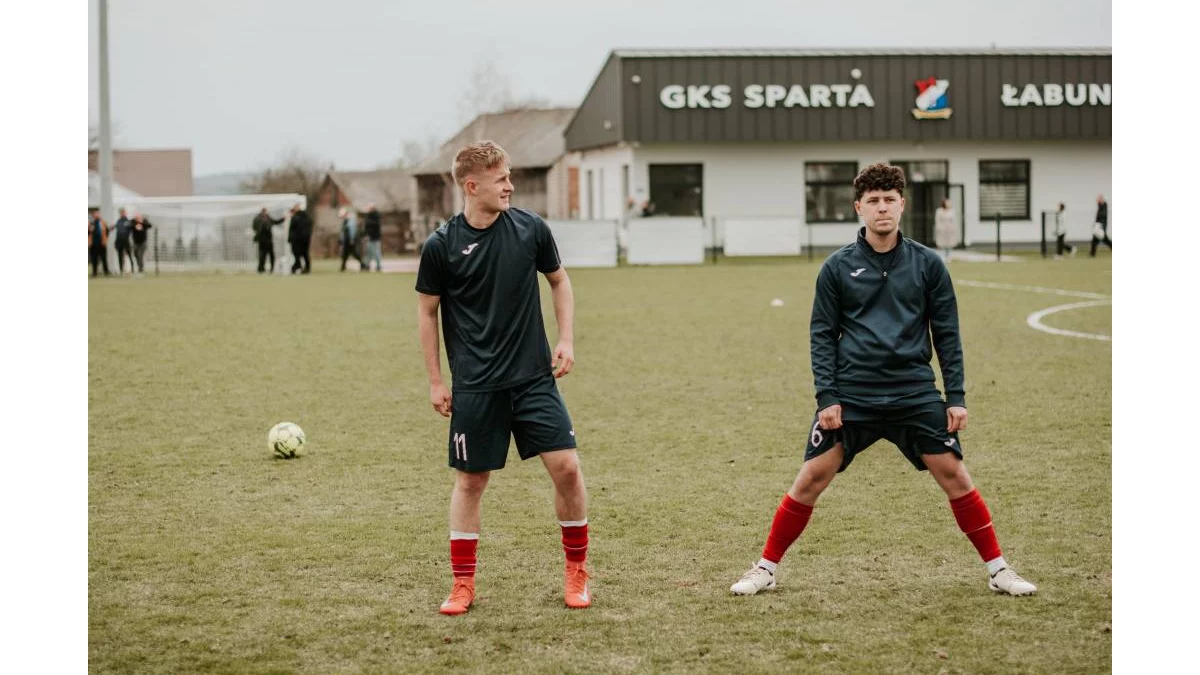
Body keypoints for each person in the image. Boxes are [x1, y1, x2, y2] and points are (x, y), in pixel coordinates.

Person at [729, 163, 1037, 598]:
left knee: (955, 475)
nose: (882, 208)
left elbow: (946, 334)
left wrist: (956, 396)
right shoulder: (837, 267)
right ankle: (765, 568)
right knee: (810, 479)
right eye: (873, 201)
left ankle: (998, 569)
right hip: (853, 394)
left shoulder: (928, 264)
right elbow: (822, 335)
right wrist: (827, 397)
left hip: (914, 391)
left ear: (902, 205)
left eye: (889, 199)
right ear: (859, 207)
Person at [415, 140, 589, 616]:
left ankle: (577, 570)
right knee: (471, 482)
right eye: (501, 179)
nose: (510, 186)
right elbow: (427, 314)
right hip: (476, 386)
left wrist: (566, 339)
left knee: (568, 468)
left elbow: (559, 280)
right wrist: (436, 380)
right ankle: (462, 583)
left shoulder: (531, 229)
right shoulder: (441, 246)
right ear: (472, 186)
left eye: (509, 176)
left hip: (533, 378)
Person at [252, 207, 284, 273]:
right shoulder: (258, 219)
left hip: (269, 240)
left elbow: (276, 222)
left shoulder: (268, 218)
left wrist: (283, 218)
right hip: (262, 240)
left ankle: (271, 268)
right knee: (262, 255)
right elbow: (254, 227)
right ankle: (261, 268)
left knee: (271, 255)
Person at [287, 204, 312, 274]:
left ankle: (296, 267)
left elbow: (292, 229)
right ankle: (306, 268)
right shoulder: (306, 217)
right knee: (304, 254)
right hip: (305, 239)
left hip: (297, 240)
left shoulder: (295, 218)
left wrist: (290, 239)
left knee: (297, 254)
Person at [88, 208, 112, 277]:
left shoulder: (103, 222)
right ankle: (94, 272)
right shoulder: (90, 223)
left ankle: (106, 272)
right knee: (94, 259)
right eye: (95, 214)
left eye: (98, 213)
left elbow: (107, 231)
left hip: (102, 243)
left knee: (104, 258)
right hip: (93, 244)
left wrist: (105, 240)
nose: (97, 215)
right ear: (93, 215)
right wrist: (89, 230)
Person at [113, 207, 134, 275]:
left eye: (123, 212)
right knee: (120, 255)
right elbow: (117, 231)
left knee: (129, 254)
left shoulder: (128, 221)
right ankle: (121, 269)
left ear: (125, 213)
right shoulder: (118, 221)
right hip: (119, 241)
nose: (122, 213)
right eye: (121, 212)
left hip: (126, 240)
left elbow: (131, 229)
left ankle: (132, 268)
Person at [363, 203, 383, 272]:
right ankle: (367, 265)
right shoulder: (368, 216)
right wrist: (366, 235)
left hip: (375, 238)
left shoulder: (376, 216)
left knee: (376, 252)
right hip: (369, 237)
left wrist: (369, 233)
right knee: (368, 252)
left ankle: (378, 266)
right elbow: (366, 228)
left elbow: (375, 226)